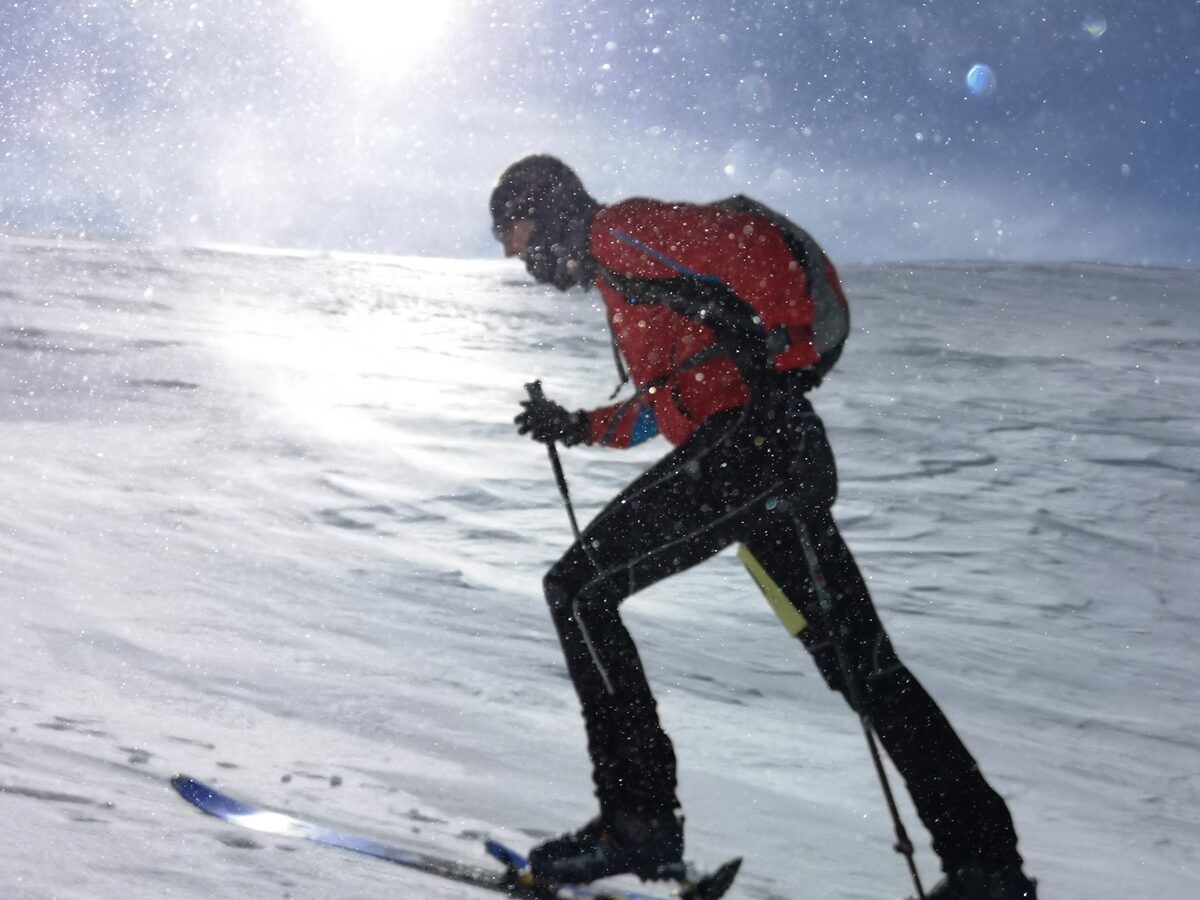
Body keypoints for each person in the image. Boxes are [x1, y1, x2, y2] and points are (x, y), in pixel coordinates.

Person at [490, 154, 1037, 900]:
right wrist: (581, 426)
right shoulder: (622, 285)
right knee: (862, 666)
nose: (519, 259)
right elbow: (670, 403)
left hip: (752, 452)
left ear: (547, 209)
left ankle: (639, 820)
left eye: (516, 235)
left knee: (578, 590)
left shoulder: (623, 230)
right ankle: (988, 868)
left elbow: (753, 244)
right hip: (764, 467)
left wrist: (786, 352)